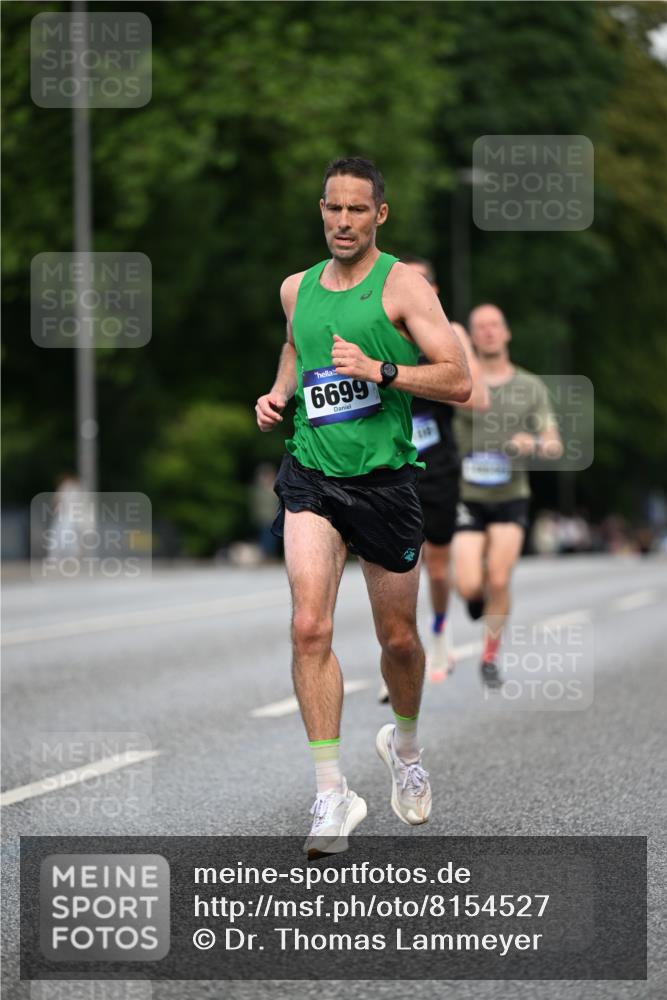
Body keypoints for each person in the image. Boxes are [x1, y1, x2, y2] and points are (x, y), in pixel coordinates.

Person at [255, 157, 471, 856]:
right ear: (319, 209)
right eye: (332, 209)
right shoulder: (295, 288)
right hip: (312, 475)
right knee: (308, 624)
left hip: (384, 482)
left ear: (380, 214)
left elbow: (456, 379)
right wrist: (280, 394)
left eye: (356, 211)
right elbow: (296, 346)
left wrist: (381, 370)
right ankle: (330, 793)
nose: (341, 223)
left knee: (398, 640)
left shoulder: (402, 285)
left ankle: (402, 748)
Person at [386, 257, 488, 690]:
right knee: (395, 570)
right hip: (392, 463)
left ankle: (440, 631)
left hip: (439, 465)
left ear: (435, 290)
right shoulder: (384, 326)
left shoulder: (450, 333)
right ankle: (397, 657)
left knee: (440, 571)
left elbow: (476, 397)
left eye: (423, 280)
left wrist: (420, 375)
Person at [452, 304, 562, 688]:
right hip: (467, 495)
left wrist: (530, 442)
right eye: (479, 327)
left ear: (507, 332)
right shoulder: (462, 381)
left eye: (494, 325)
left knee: (499, 579)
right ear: (471, 336)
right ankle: (474, 593)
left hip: (512, 495)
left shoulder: (530, 387)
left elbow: (554, 444)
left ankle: (489, 655)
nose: (487, 332)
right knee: (469, 586)